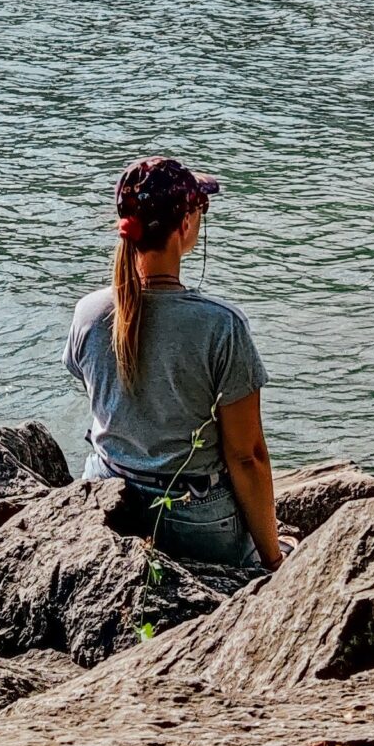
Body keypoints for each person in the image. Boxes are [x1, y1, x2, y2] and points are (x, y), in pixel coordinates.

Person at [64, 155, 282, 571]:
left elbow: (97, 386)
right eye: (201, 210)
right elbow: (247, 456)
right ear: (185, 226)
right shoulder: (221, 326)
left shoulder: (88, 314)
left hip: (109, 501)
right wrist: (272, 557)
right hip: (197, 522)